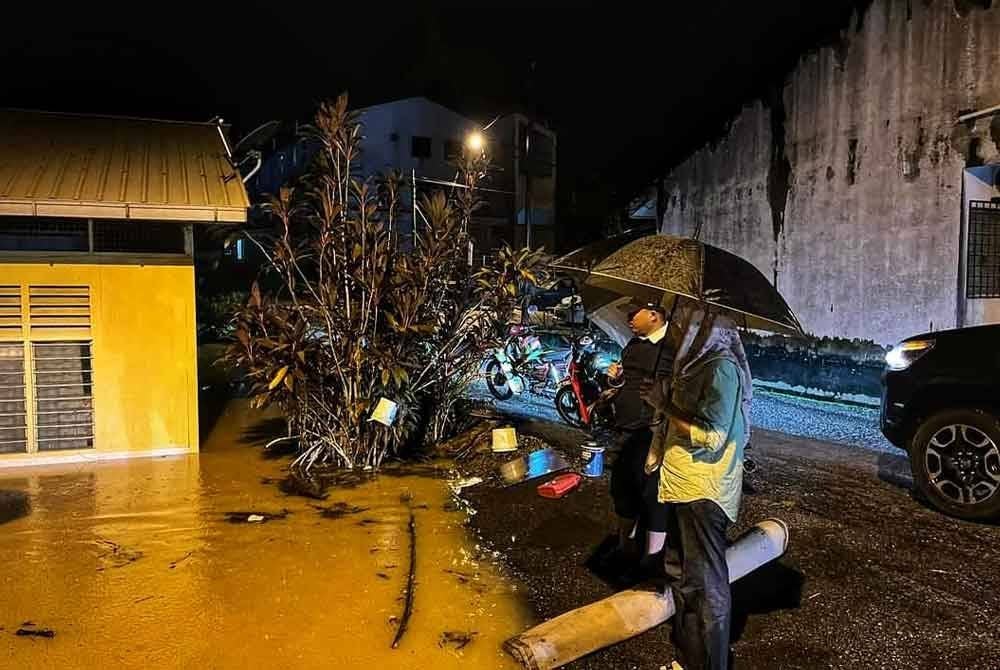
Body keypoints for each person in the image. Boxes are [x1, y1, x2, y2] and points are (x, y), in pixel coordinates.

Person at [641, 301, 752, 670]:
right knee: (683, 577)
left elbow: (712, 436)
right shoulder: (692, 367)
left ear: (701, 330)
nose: (675, 329)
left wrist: (667, 406)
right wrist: (663, 397)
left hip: (703, 493)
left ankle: (709, 664)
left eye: (682, 322)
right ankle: (690, 659)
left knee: (705, 586)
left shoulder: (721, 369)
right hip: (680, 487)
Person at [603, 302, 675, 576]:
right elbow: (625, 385)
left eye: (634, 314)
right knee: (622, 488)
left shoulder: (672, 348)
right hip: (625, 429)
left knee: (653, 495)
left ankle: (652, 559)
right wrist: (615, 381)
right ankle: (625, 547)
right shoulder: (633, 345)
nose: (628, 318)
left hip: (653, 433)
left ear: (654, 315)